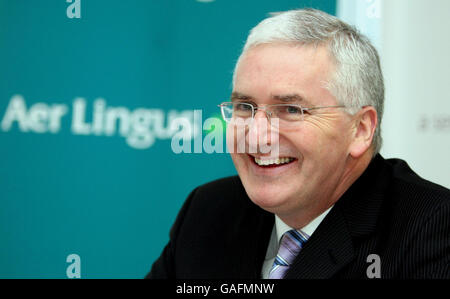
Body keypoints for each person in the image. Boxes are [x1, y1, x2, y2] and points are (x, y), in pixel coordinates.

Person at [147, 9, 450, 279]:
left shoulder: (432, 231)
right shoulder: (209, 211)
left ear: (360, 129)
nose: (256, 137)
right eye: (244, 107)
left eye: (290, 110)